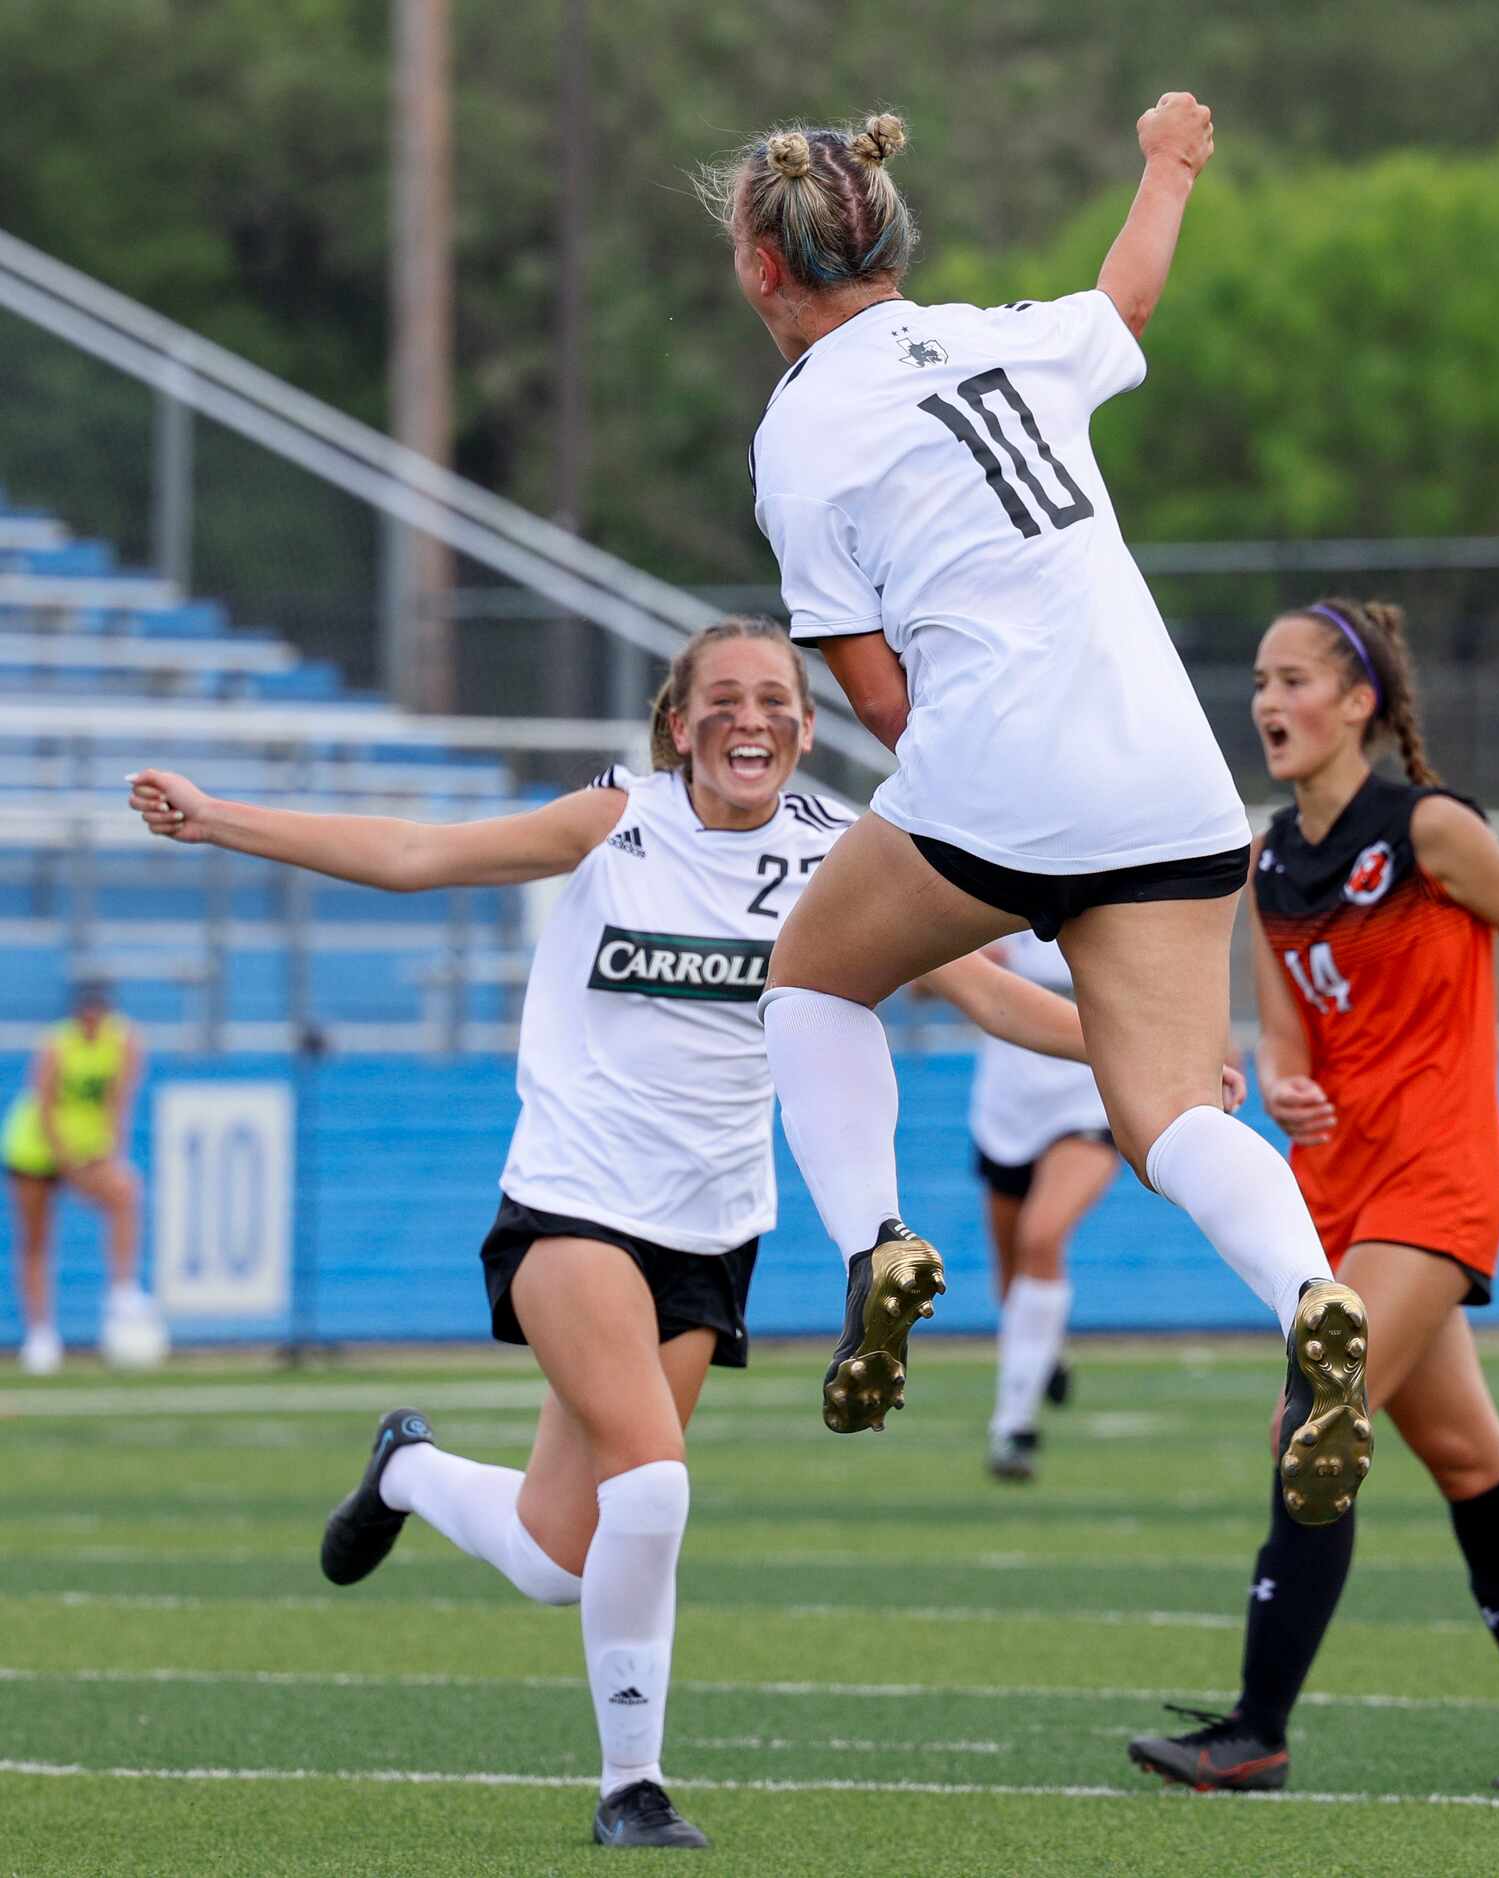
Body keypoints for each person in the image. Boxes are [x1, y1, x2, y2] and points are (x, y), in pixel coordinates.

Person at [129, 616, 1146, 1851]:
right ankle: (633, 1787)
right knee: (654, 1489)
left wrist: (1160, 1057)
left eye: (774, 698)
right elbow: (411, 851)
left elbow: (988, 992)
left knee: (565, 1554)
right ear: (677, 725)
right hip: (572, 1206)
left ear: (809, 729)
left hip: (713, 1235)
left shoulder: (845, 860)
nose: (748, 718)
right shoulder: (621, 820)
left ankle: (405, 1466)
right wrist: (217, 814)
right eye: (720, 700)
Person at [700, 98, 1372, 1524]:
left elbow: (877, 693)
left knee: (813, 982)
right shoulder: (1007, 332)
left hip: (1007, 763)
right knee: (1168, 1110)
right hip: (1173, 770)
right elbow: (1126, 295)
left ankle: (873, 1239)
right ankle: (1311, 1289)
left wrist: (958, 810)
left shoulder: (802, 432)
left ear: (764, 269)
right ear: (890, 238)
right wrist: (1167, 165)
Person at [1127, 597, 1499, 1795]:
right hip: (1335, 1195)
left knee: (1315, 1417)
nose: (1268, 704)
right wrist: (1285, 1088)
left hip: (1438, 1178)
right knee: (1463, 1455)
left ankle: (1257, 1727)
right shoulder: (1270, 859)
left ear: (1362, 707)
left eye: (1295, 681)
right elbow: (1289, 1035)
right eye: (1259, 681)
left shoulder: (1432, 830)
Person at [969, 931, 1120, 1482]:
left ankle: (1013, 1426)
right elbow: (921, 982)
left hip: (1089, 1094)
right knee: (1011, 1278)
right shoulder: (991, 882)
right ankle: (1045, 1344)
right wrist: (960, 954)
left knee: (1042, 1237)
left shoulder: (1116, 889)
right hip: (1007, 1104)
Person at [3, 980, 164, 1374]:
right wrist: (68, 1164)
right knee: (36, 1241)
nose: (92, 1019)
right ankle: (40, 1336)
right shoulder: (57, 1044)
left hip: (84, 1148)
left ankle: (122, 1289)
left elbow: (118, 1103)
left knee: (125, 1192)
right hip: (35, 1147)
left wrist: (107, 1152)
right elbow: (43, 1107)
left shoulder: (124, 1042)